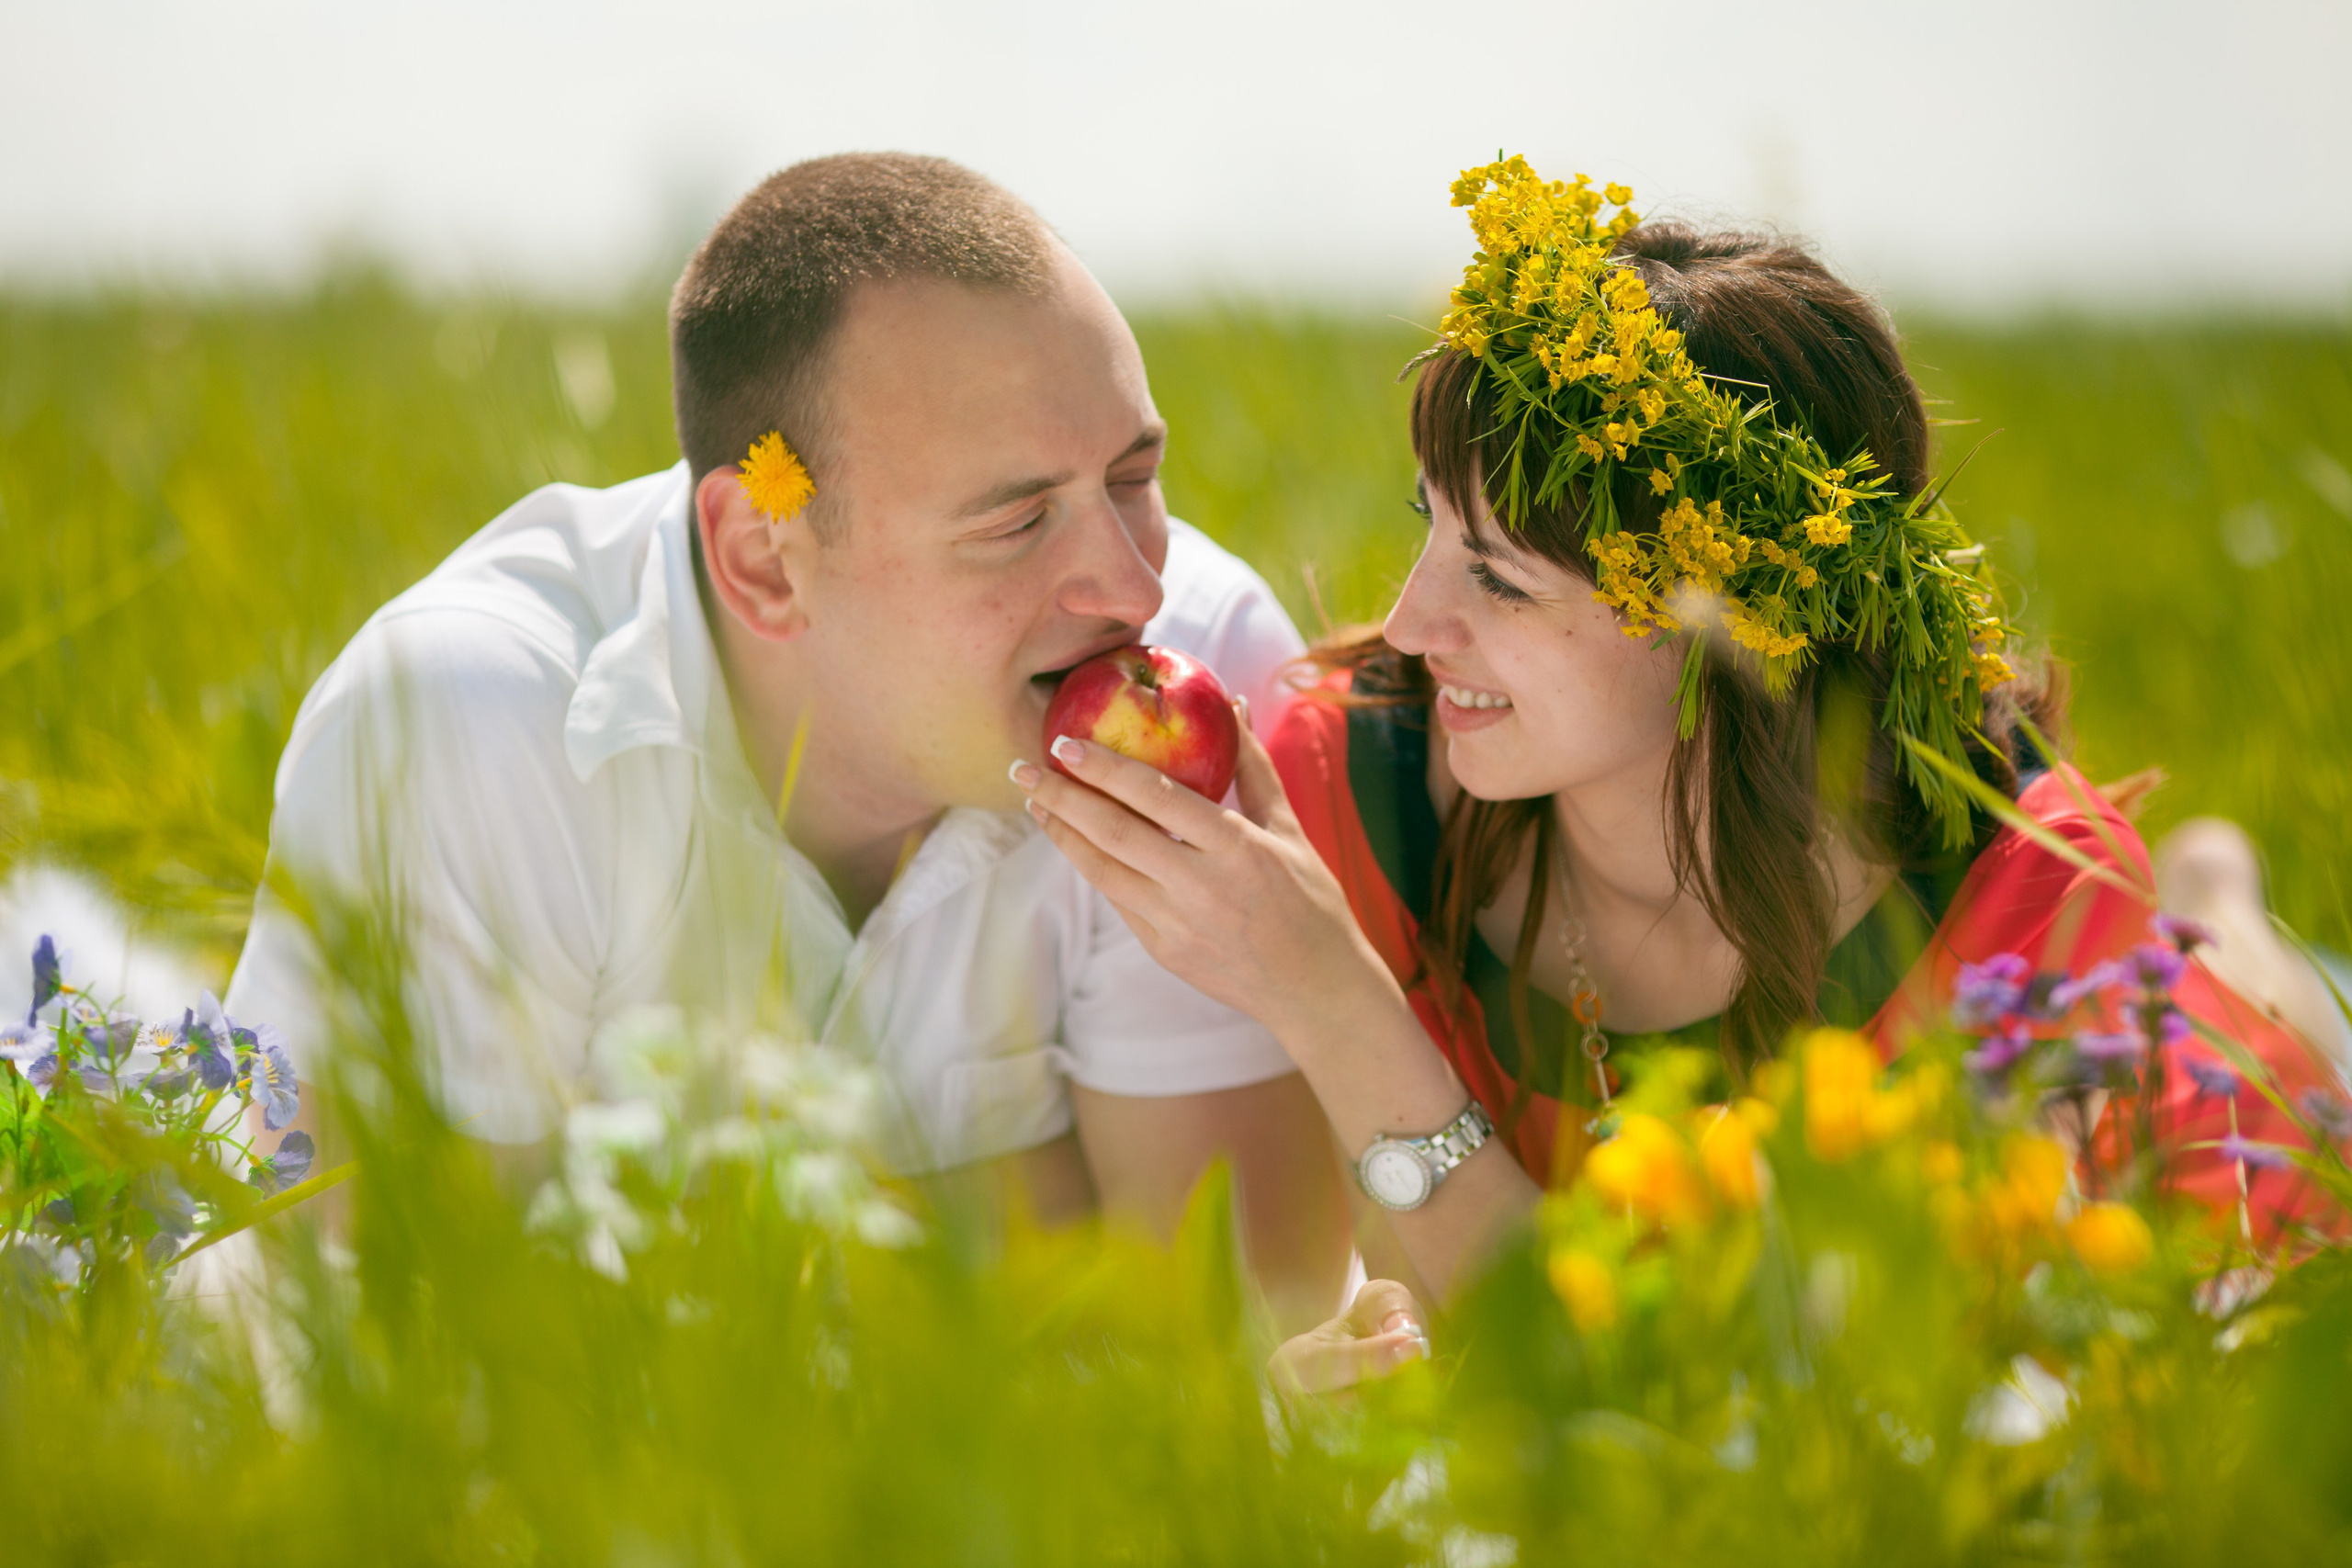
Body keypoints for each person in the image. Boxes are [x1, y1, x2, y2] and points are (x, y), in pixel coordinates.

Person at [1014, 159, 2346, 1377]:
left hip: (2218, 1154)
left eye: (1501, 578)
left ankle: (2223, 908)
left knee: (2242, 986)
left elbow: (1712, 1413)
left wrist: (1335, 1004)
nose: (1412, 625)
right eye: (1432, 529)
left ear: (1732, 627)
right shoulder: (1334, 789)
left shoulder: (2018, 921)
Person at [225, 153, 1351, 1326]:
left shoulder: (1206, 661)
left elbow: (1226, 1345)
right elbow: (408, 1337)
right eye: (1016, 521)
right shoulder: (468, 721)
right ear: (766, 558)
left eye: (1133, 476)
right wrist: (1018, 1207)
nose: (1129, 586)